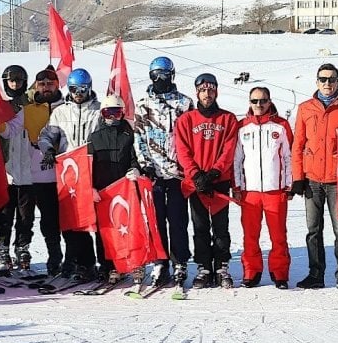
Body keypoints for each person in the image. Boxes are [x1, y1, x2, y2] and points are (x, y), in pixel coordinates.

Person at [291, 63, 338, 291]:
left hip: (337, 181)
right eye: (323, 79)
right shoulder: (305, 108)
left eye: (332, 79)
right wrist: (297, 176)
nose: (327, 83)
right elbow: (298, 145)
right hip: (312, 179)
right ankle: (315, 274)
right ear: (316, 82)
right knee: (313, 230)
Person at [133, 56, 194, 287]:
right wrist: (145, 164)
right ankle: (160, 260)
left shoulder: (185, 103)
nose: (159, 79)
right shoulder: (143, 105)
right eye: (155, 75)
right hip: (154, 172)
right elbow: (138, 136)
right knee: (156, 220)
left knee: (177, 219)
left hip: (177, 172)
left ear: (172, 75)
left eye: (163, 74)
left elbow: (190, 137)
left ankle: (180, 262)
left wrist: (187, 166)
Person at [174, 73, 239, 289]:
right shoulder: (186, 120)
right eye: (203, 90)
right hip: (196, 183)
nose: (207, 94)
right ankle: (203, 267)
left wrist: (214, 173)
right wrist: (196, 174)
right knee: (200, 226)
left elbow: (229, 150)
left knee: (221, 227)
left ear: (216, 91)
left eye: (211, 90)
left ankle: (221, 266)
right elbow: (182, 151)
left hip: (218, 181)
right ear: (197, 93)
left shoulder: (228, 119)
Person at [0, 65, 65, 277]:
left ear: (57, 85)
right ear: (36, 86)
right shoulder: (28, 110)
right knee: (23, 219)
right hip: (31, 176)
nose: (46, 87)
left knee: (52, 222)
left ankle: (55, 259)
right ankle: (16, 251)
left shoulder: (66, 108)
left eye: (50, 84)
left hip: (57, 177)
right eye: (42, 84)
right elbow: (9, 131)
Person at [39, 67, 102, 281]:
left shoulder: (98, 111)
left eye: (83, 89)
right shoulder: (61, 112)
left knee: (98, 221)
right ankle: (81, 263)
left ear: (89, 88)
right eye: (74, 89)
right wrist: (48, 149)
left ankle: (106, 263)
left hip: (93, 170)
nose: (78, 93)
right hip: (70, 173)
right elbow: (47, 134)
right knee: (73, 221)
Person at [233, 86, 293, 289]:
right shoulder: (242, 127)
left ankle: (280, 272)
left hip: (274, 190)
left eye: (263, 101)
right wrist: (238, 185)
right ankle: (251, 271)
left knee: (278, 235)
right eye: (255, 101)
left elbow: (288, 157)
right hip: (250, 192)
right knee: (250, 234)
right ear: (249, 102)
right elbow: (237, 159)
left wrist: (288, 184)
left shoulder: (281, 126)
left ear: (269, 101)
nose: (259, 105)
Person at [87, 95, 141, 285]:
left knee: (129, 228)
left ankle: (131, 264)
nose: (112, 117)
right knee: (105, 232)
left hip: (125, 190)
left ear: (122, 113)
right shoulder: (95, 137)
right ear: (102, 114)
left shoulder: (129, 135)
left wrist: (135, 169)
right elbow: (88, 165)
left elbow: (135, 157)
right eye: (108, 112)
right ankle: (108, 266)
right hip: (103, 192)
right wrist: (91, 186)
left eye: (116, 112)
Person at [0, 64, 32, 273]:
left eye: (19, 81)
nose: (15, 85)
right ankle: (0, 250)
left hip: (28, 171)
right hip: (5, 170)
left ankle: (22, 247)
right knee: (4, 214)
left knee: (25, 217)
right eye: (11, 81)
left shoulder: (31, 105)